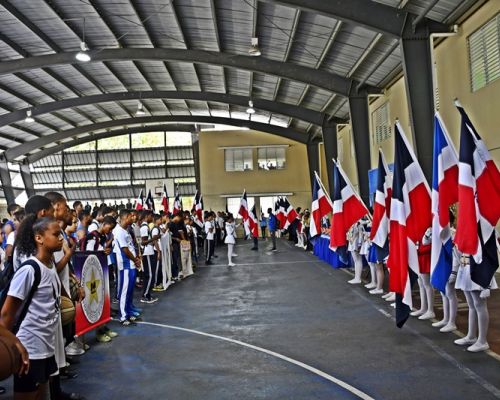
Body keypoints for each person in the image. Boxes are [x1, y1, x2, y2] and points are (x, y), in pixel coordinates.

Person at [0, 216, 63, 400]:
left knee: (42, 396)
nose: (61, 238)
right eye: (56, 234)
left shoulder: (50, 266)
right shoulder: (30, 269)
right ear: (39, 238)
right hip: (29, 347)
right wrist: (16, 344)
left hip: (46, 345)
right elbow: (5, 315)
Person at [114, 209, 141, 326]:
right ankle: (123, 315)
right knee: (124, 291)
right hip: (126, 265)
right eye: (131, 216)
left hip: (131, 264)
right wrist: (135, 259)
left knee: (130, 290)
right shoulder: (119, 231)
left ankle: (129, 311)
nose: (133, 218)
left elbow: (130, 247)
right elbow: (124, 250)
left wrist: (136, 259)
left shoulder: (125, 231)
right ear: (125, 217)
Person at [139, 211, 158, 304]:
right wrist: (154, 238)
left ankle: (147, 294)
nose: (152, 217)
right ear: (147, 216)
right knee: (150, 275)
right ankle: (146, 295)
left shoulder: (145, 226)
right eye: (151, 216)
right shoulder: (144, 227)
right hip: (147, 252)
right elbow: (144, 242)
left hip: (149, 252)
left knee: (149, 275)